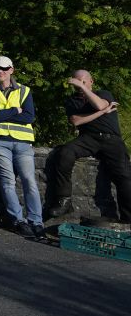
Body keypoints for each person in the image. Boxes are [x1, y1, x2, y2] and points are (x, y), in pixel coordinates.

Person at [44, 69, 131, 223]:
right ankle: (64, 200)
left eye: (83, 82)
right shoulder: (72, 101)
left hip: (111, 139)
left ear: (91, 82)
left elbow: (99, 104)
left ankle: (128, 218)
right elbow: (76, 121)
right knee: (65, 152)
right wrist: (104, 112)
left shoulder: (103, 93)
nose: (79, 85)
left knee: (124, 176)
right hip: (88, 138)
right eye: (77, 82)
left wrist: (93, 99)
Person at [0, 56, 44, 238]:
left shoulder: (24, 90)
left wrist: (2, 115)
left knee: (29, 180)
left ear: (11, 70)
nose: (1, 72)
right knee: (8, 182)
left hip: (22, 142)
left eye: (5, 69)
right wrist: (15, 110)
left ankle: (36, 221)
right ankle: (18, 221)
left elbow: (29, 117)